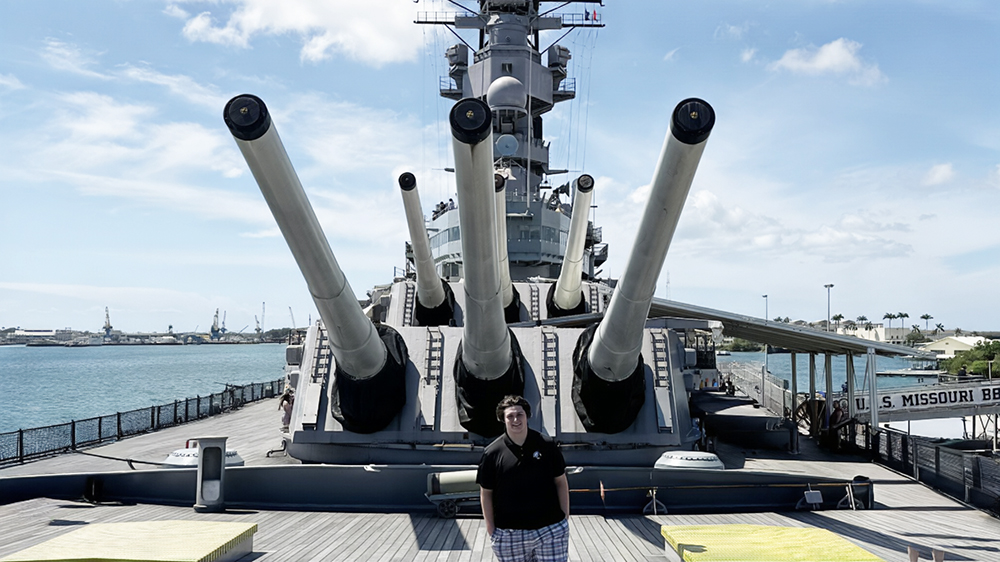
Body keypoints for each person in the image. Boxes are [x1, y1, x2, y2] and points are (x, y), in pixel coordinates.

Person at [477, 395, 570, 562]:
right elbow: (486, 493)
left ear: (527, 416)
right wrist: (491, 528)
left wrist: (564, 517)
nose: (515, 419)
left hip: (550, 529)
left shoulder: (547, 445)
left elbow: (560, 482)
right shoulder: (492, 453)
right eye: (510, 416)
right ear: (502, 419)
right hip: (509, 534)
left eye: (519, 414)